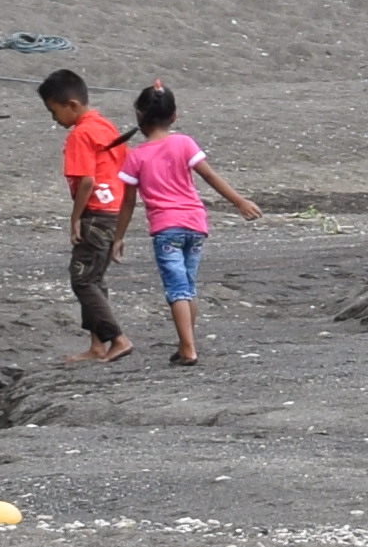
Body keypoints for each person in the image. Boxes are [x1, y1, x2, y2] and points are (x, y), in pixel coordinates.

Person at [121, 82, 260, 366]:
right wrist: (239, 201)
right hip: (196, 224)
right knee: (188, 285)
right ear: (174, 116)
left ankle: (188, 347)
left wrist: (117, 236)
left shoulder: (135, 156)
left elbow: (127, 203)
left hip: (166, 228)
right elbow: (209, 176)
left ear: (138, 115)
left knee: (177, 288)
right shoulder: (184, 143)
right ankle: (187, 341)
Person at [40, 69, 134, 363]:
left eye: (54, 112)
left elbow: (87, 181)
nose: (54, 120)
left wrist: (75, 218)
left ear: (72, 106)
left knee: (82, 280)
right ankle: (97, 345)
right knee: (95, 277)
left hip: (95, 213)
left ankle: (118, 339)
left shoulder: (80, 135)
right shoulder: (105, 127)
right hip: (114, 209)